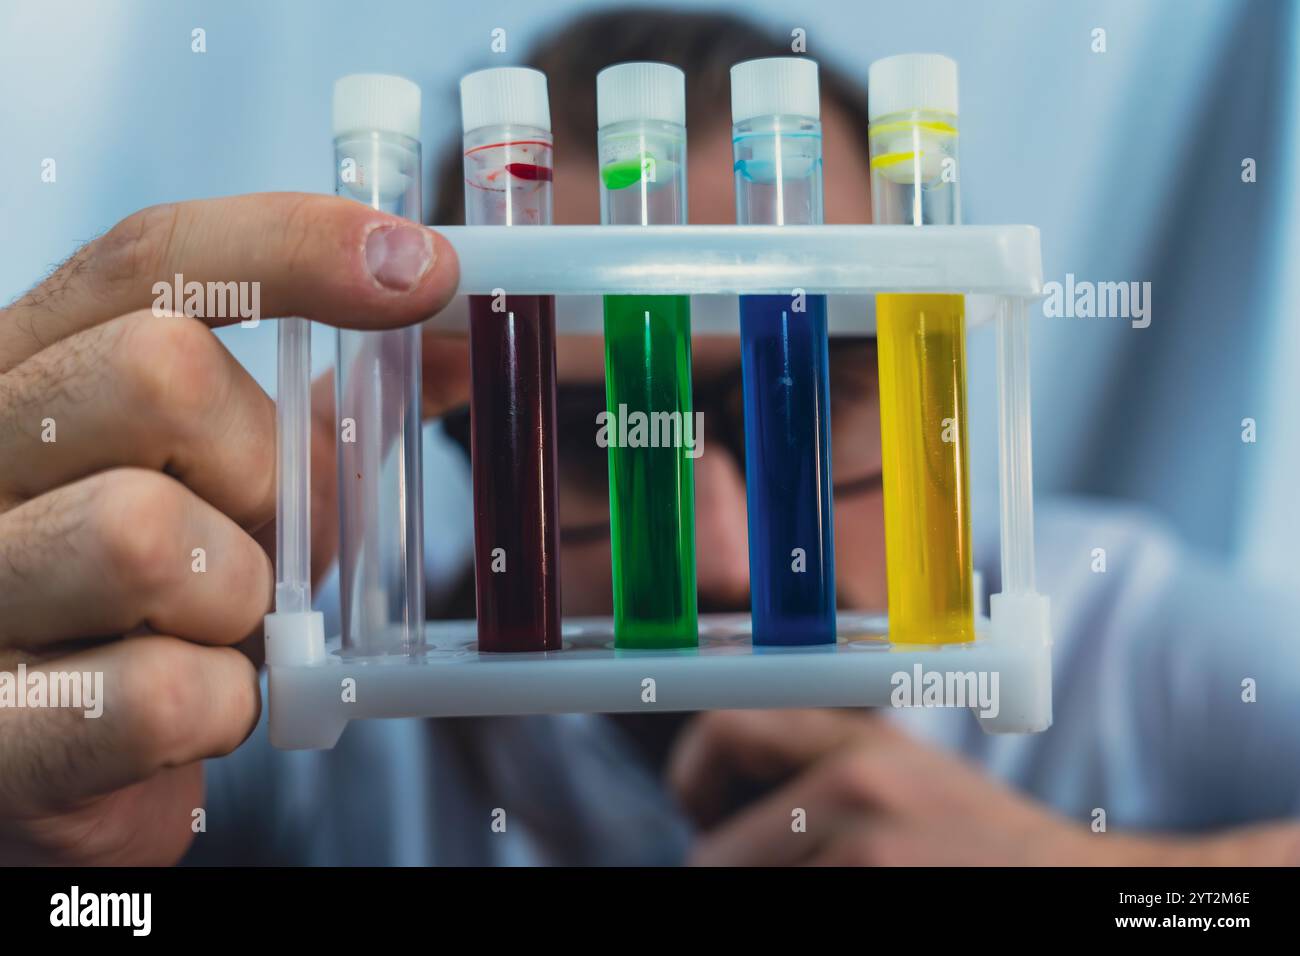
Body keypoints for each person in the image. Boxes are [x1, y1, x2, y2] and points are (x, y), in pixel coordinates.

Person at [1, 9, 1297, 866]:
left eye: (806, 406)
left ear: (934, 389)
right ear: (455, 435)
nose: (722, 555)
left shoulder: (1125, 641)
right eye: (597, 435)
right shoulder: (283, 721)